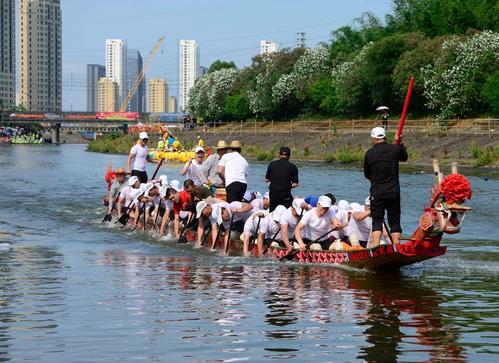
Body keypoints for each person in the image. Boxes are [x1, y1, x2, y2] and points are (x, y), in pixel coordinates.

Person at [364, 126, 408, 247]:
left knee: (377, 220)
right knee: (394, 221)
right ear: (384, 137)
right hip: (394, 192)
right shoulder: (394, 149)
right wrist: (399, 144)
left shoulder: (369, 154)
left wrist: (375, 181)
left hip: (377, 192)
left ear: (373, 138)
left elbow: (367, 174)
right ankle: (397, 245)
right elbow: (404, 157)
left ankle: (376, 246)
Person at [265, 146, 299, 211]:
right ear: (289, 156)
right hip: (285, 194)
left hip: (273, 193)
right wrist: (287, 186)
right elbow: (295, 184)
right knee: (286, 211)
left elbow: (267, 179)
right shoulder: (293, 167)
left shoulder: (272, 164)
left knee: (272, 212)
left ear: (279, 155)